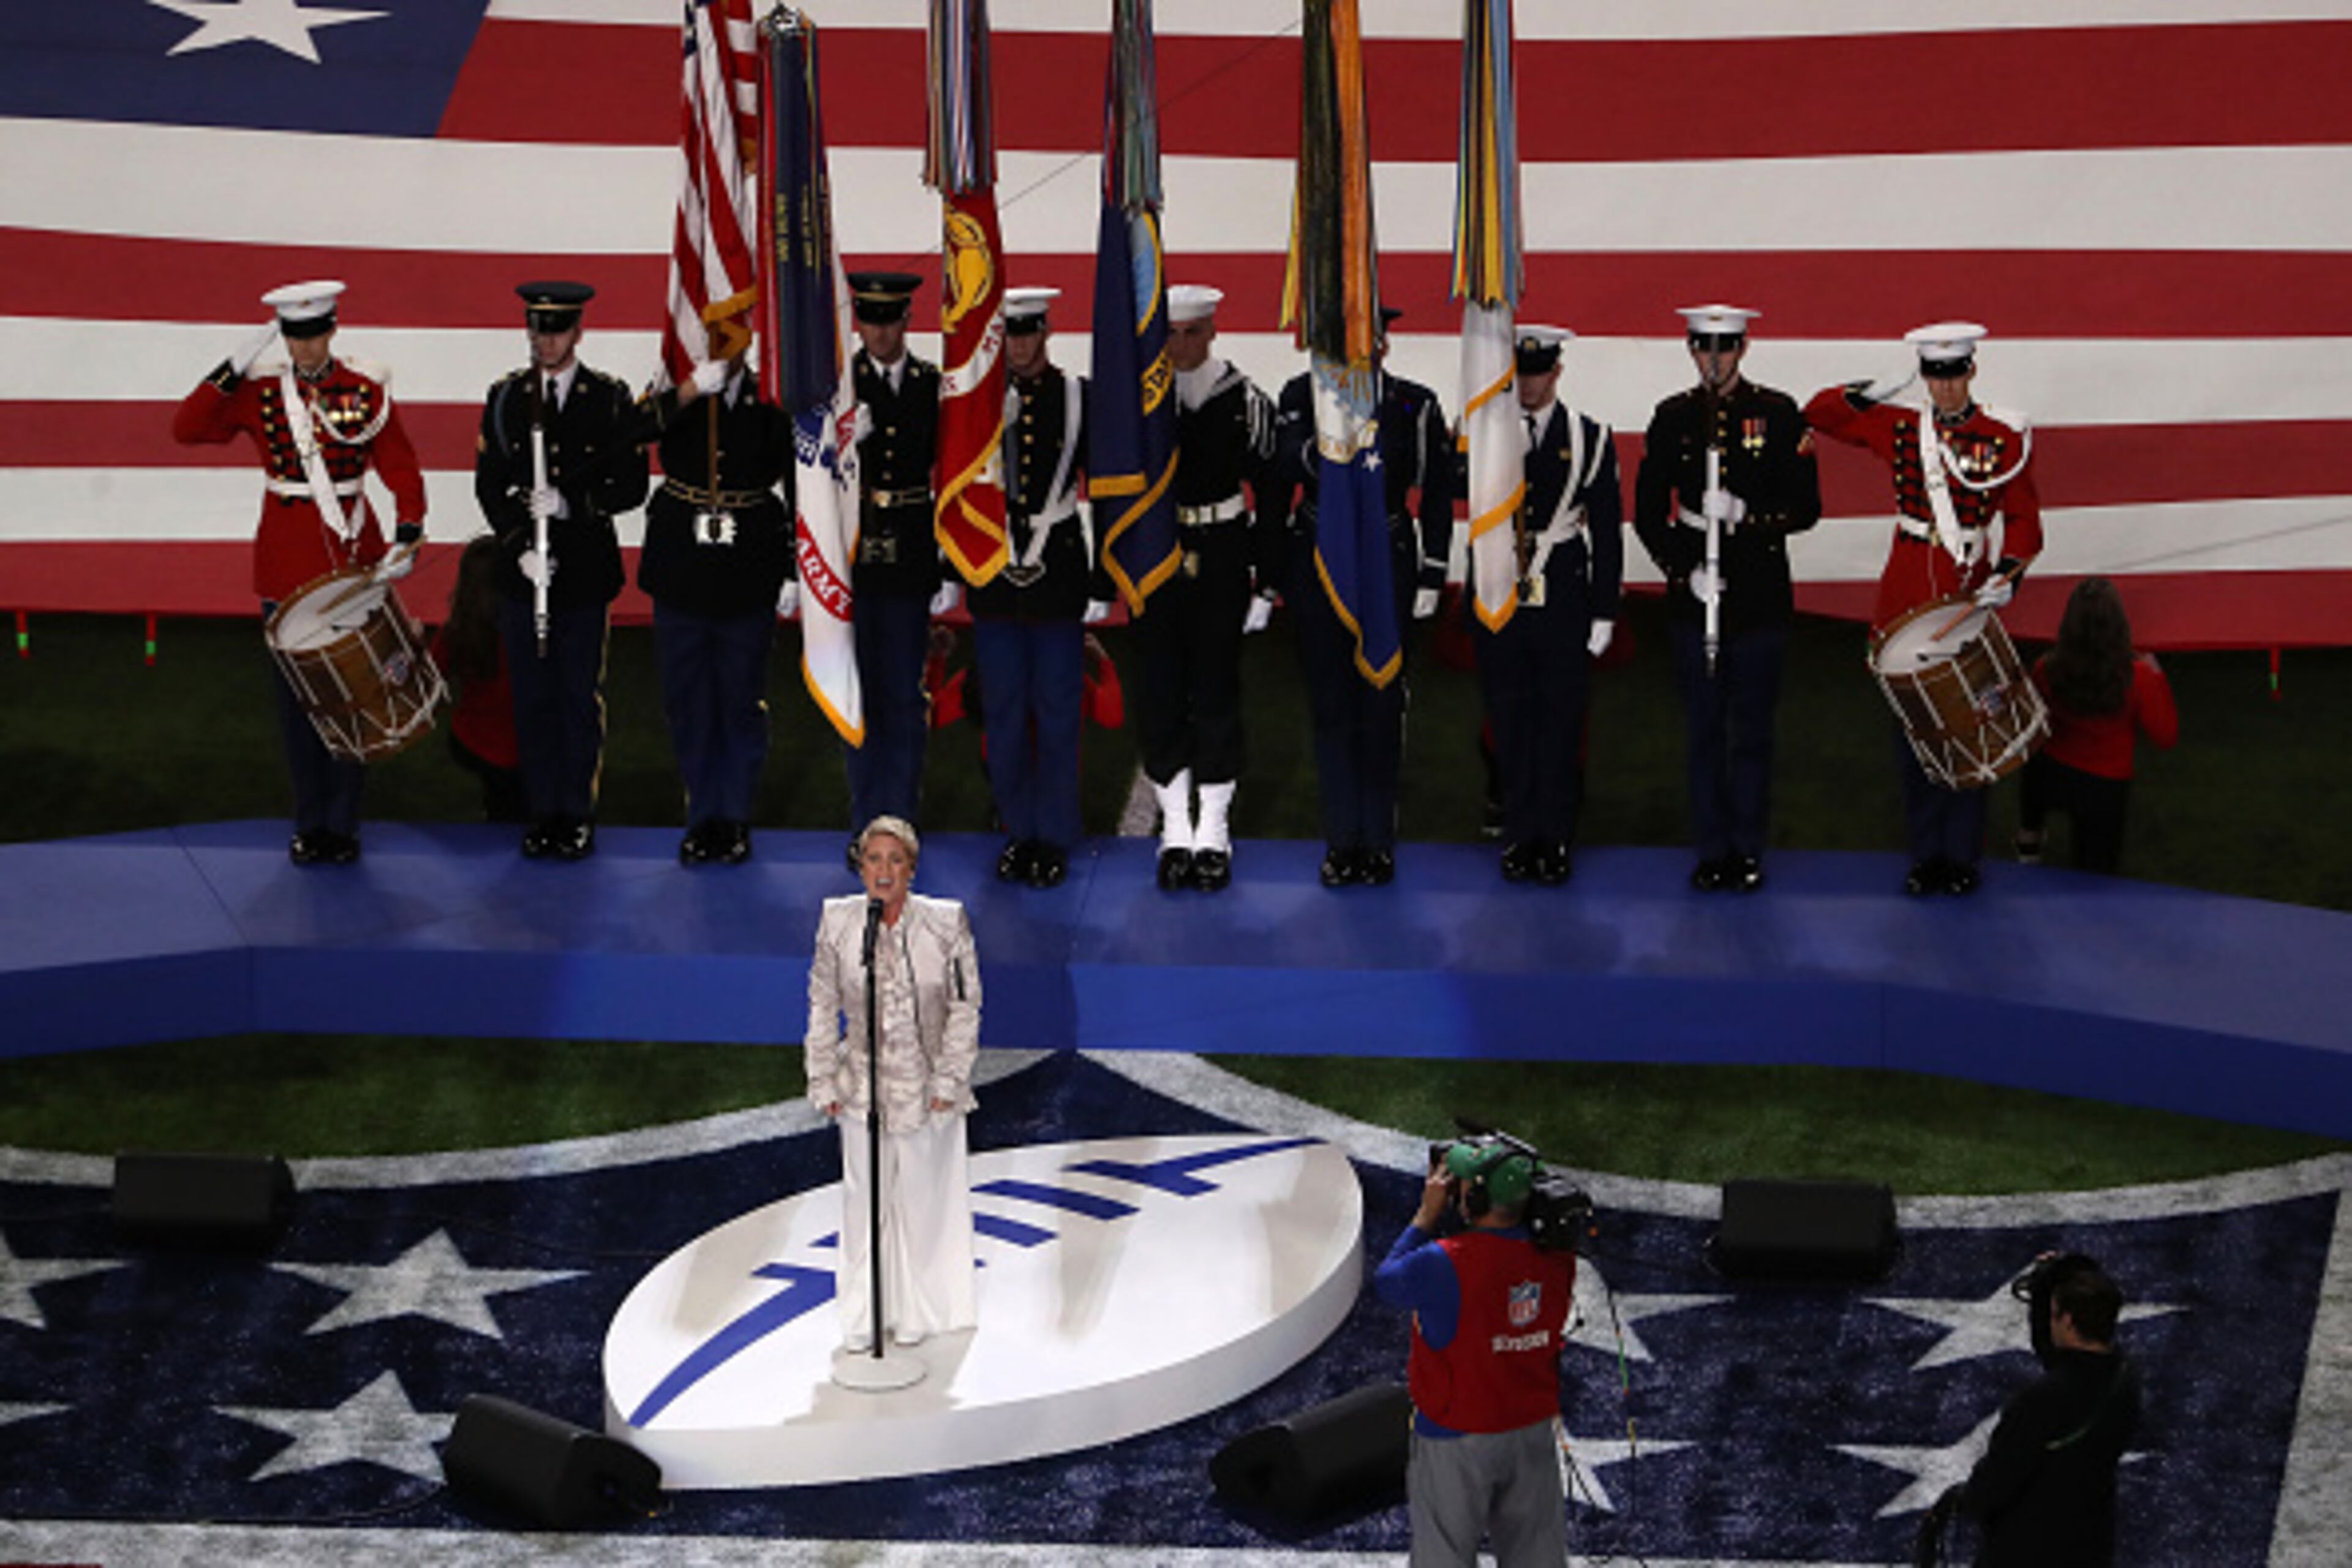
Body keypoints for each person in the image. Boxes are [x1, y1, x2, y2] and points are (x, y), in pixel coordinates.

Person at [171, 279, 426, 866]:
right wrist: (233, 365)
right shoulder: (259, 392)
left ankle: (343, 824)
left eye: (314, 336)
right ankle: (310, 822)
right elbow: (186, 428)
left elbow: (399, 464)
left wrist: (410, 526)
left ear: (332, 329)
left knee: (356, 693)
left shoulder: (364, 390)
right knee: (298, 702)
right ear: (283, 336)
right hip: (285, 564)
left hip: (351, 554)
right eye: (294, 337)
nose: (305, 349)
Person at [1806, 322, 2043, 896]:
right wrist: (1874, 390)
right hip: (1907, 587)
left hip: (1965, 591)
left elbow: (2023, 517)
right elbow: (1819, 413)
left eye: (1953, 375)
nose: (1944, 390)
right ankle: (1925, 854)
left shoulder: (2002, 437)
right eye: (1934, 378)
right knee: (1915, 729)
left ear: (1971, 371)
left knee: (1970, 720)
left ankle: (1962, 856)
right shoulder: (1902, 427)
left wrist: (2009, 573)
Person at [1633, 305, 1823, 892]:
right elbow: (1646, 511)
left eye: (1725, 349)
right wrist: (1683, 569)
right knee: (1704, 730)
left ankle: (1747, 849)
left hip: (1759, 594)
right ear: (1690, 350)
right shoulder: (1672, 417)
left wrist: (1748, 517)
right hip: (1697, 597)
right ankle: (1711, 848)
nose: (1714, 361)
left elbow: (1807, 508)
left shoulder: (1778, 413)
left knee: (1754, 731)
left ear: (1744, 350)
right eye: (1703, 349)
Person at [1267, 306, 1455, 888]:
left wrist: (1431, 574)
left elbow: (1440, 493)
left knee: (1380, 705)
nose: (1357, 350)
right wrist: (1270, 577)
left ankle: (1377, 839)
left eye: (1367, 339)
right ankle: (1341, 839)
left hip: (1386, 560)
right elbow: (1280, 474)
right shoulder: (1301, 395)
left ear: (1384, 345)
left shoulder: (1412, 405)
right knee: (1330, 706)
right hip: (1319, 562)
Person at [472, 281, 646, 860]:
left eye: (557, 330)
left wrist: (574, 507)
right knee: (531, 698)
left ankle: (574, 813)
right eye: (537, 329)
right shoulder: (505, 398)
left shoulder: (609, 399)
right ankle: (540, 810)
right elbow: (490, 482)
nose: (545, 341)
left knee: (575, 698)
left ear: (577, 333)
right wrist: (519, 541)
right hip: (526, 572)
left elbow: (630, 485)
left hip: (582, 573)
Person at [805, 816, 981, 1352]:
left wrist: (949, 1079)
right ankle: (863, 1311)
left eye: (895, 860)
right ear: (860, 866)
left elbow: (965, 1006)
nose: (884, 871)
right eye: (874, 860)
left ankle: (917, 1310)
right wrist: (821, 1077)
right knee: (864, 1204)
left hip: (927, 1086)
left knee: (921, 1201)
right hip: (862, 1084)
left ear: (912, 867)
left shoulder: (946, 923)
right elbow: (822, 1003)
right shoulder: (839, 921)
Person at [1135, 284, 1278, 892]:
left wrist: (1265, 582)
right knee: (1162, 690)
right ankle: (1175, 829)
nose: (1182, 344)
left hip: (1221, 553)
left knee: (1217, 689)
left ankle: (1214, 828)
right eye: (1171, 332)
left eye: (1193, 332)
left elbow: (1272, 496)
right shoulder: (1142, 401)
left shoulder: (1244, 399)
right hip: (1158, 558)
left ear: (1213, 331)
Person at [1374, 1139, 1576, 1568]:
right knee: (1538, 1558)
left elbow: (1387, 1282)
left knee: (1442, 1558)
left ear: (1475, 1197)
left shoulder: (1442, 1263)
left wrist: (1427, 1214)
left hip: (1456, 1436)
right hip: (1531, 1425)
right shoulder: (1559, 1257)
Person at [633, 347, 795, 865]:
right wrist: (685, 393)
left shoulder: (773, 392)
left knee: (740, 702)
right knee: (689, 702)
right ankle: (703, 816)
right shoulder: (675, 388)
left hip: (749, 565)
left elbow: (798, 471)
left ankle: (735, 817)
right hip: (682, 566)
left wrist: (795, 564)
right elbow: (627, 432)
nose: (724, 344)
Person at [1474, 325, 1623, 886]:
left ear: (1557, 372)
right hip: (1497, 588)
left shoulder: (1590, 437)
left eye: (1539, 371)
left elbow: (1606, 531)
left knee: (1561, 722)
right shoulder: (1482, 431)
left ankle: (1555, 837)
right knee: (1509, 718)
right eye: (1522, 371)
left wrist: (1605, 609)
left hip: (1561, 588)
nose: (1530, 383)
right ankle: (1518, 835)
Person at [967, 286, 1104, 889]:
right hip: (994, 571)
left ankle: (1054, 832)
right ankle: (1018, 831)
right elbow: (957, 491)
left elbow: (1105, 486)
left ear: (1046, 334)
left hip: (1059, 570)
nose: (1019, 347)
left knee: (1056, 711)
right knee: (1002, 710)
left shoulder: (1078, 398)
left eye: (1028, 334)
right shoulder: (976, 402)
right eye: (1010, 335)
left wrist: (1104, 575)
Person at [1937, 1255, 2139, 1566]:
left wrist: (1960, 1500)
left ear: (2068, 1321)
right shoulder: (2125, 1380)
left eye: (2052, 1314)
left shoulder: (2039, 1402)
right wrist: (2060, 1282)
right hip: (2088, 1549)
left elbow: (1988, 1493)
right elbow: (2066, 1360)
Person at [845, 271, 946, 860]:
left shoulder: (931, 385)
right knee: (859, 695)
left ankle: (900, 819)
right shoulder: (839, 386)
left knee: (904, 695)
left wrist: (946, 569)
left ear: (907, 321)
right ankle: (865, 822)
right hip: (855, 555)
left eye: (890, 320)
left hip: (910, 549)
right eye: (870, 320)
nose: (880, 332)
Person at [2018, 577, 2178, 874]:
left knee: (2036, 757)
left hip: (2053, 772)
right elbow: (2165, 736)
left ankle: (2030, 835)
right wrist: (2158, 678)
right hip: (2105, 787)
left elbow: (2032, 720)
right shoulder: (2139, 677)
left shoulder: (2046, 668)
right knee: (2097, 873)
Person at [434, 535, 528, 824]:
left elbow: (431, 682)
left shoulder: (455, 632)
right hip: (526, 747)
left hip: (471, 742)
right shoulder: (527, 631)